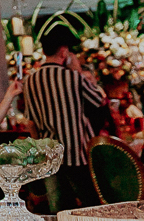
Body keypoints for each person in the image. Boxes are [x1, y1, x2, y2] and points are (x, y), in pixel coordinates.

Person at [23, 27, 106, 212]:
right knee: (91, 207)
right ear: (64, 51)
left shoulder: (30, 80)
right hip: (76, 152)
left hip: (49, 153)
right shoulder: (72, 77)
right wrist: (77, 69)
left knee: (60, 208)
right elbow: (99, 99)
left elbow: (31, 121)